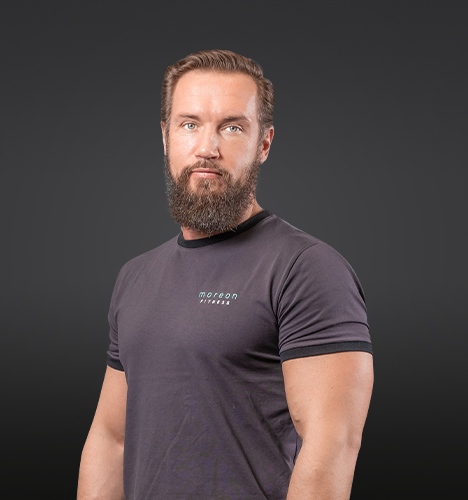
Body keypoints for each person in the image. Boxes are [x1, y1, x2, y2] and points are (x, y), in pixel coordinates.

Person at [77, 49, 373, 500]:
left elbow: (331, 445)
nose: (207, 148)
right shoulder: (135, 276)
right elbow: (111, 438)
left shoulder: (306, 269)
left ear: (264, 144)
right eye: (189, 124)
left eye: (232, 127)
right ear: (166, 136)